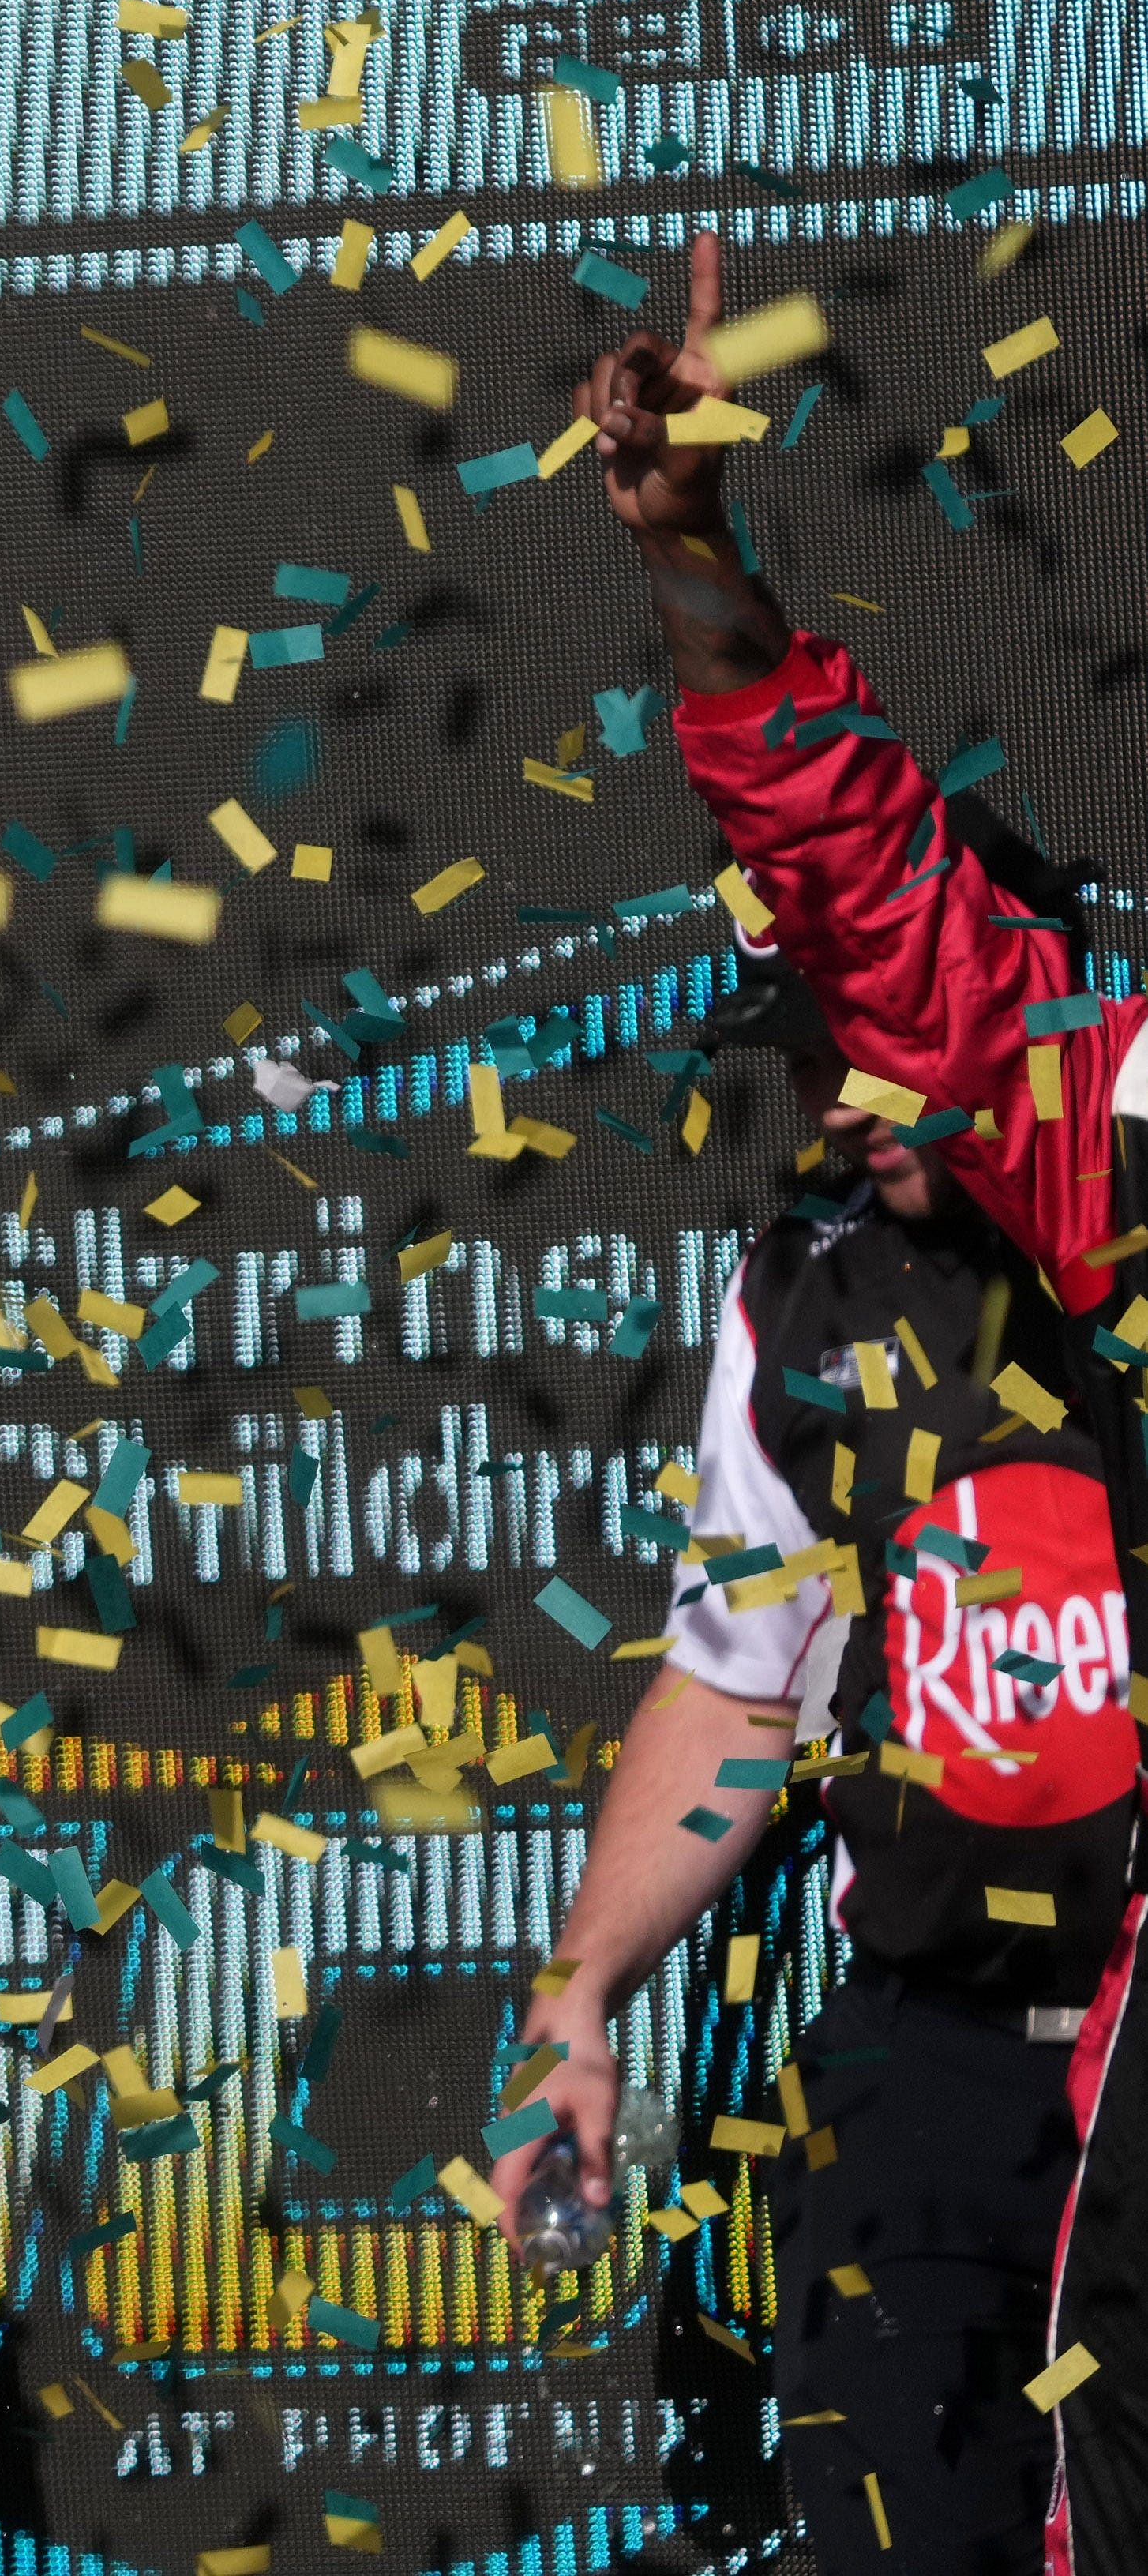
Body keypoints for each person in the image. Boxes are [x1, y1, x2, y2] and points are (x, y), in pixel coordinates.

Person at [566, 231, 1144, 2570]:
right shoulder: (858, 1278)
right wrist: (698, 556)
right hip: (971, 2051)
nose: (848, 1081)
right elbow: (865, 880)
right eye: (825, 1047)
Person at [486, 922, 1112, 2575]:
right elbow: (733, 1689)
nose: (835, 1098)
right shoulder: (799, 1296)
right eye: (807, 1052)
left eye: (873, 1036)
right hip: (928, 2055)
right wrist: (576, 1996)